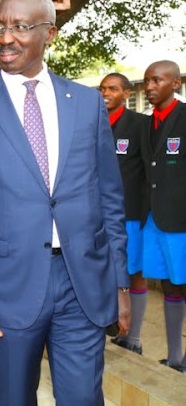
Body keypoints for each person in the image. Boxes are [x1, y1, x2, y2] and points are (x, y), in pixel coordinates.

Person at [0, 0, 130, 406]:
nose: (4, 38)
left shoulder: (86, 103)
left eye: (20, 27)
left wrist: (120, 282)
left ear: (49, 33)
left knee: (84, 397)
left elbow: (109, 199)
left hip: (82, 280)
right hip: (7, 286)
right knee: (14, 398)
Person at [140, 60, 186, 372]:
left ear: (176, 84)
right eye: (147, 81)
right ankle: (175, 357)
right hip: (154, 219)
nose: (150, 87)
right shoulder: (146, 123)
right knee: (170, 286)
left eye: (157, 80)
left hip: (180, 221)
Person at [98, 73, 149, 355]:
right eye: (103, 88)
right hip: (94, 215)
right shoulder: (90, 123)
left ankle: (135, 338)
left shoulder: (140, 125)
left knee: (133, 274)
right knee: (102, 272)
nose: (106, 93)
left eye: (113, 89)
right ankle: (108, 325)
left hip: (130, 213)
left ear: (126, 94)